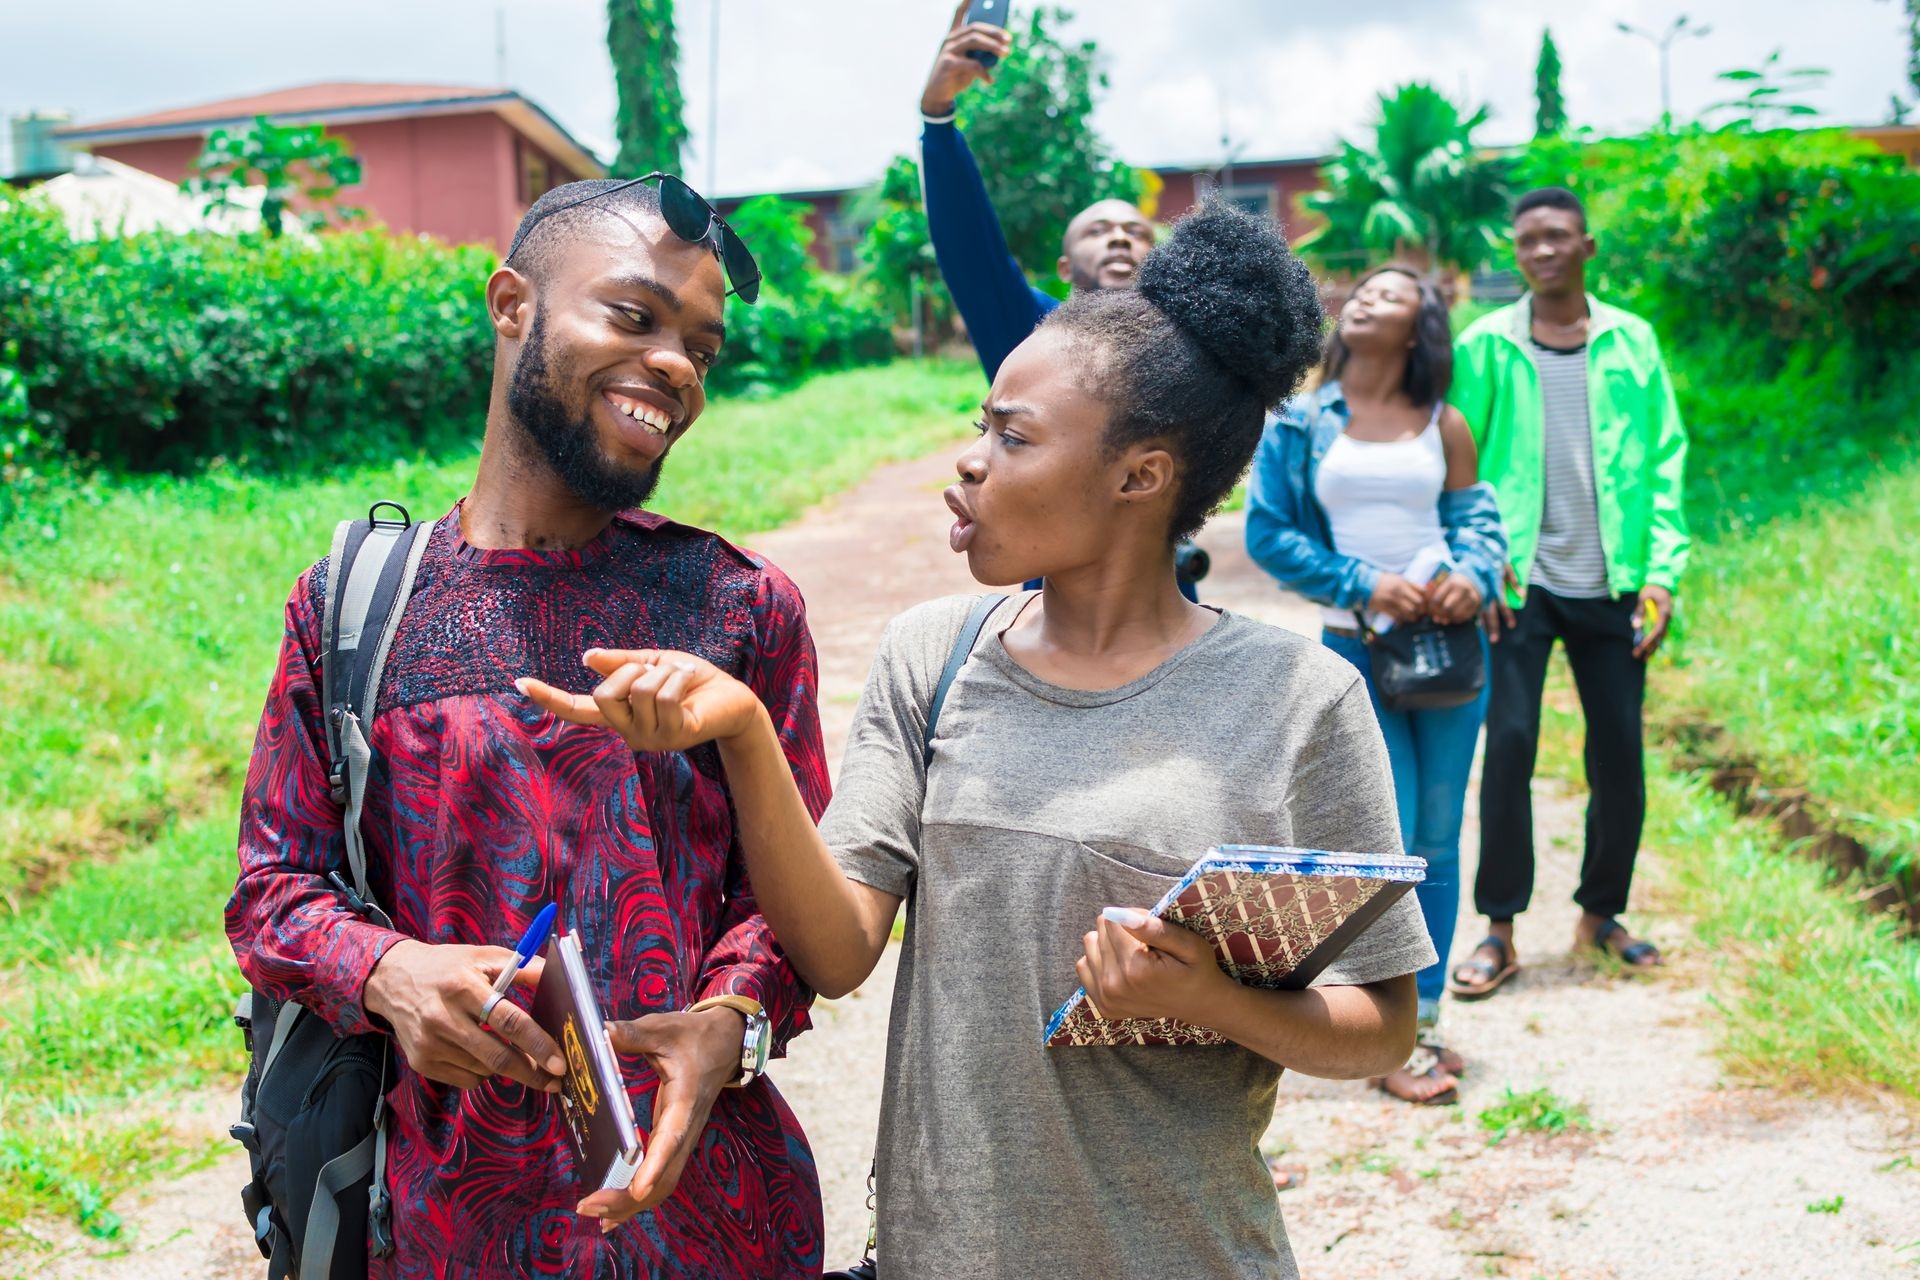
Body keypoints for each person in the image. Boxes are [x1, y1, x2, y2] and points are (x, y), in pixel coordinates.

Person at [521, 203, 1436, 1279]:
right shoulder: (933, 656)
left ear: (1140, 476)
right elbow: (837, 949)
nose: (968, 462)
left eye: (1013, 435)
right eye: (979, 422)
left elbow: (1379, 1024)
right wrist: (746, 732)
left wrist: (1211, 999)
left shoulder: (1300, 699)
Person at [226, 177, 830, 1278]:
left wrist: (733, 1017)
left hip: (715, 1223)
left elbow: (790, 905)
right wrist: (389, 969)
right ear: (512, 304)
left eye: (703, 346)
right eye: (636, 317)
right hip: (446, 1226)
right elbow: (274, 889)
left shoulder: (740, 607)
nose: (678, 368)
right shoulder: (355, 606)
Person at [1244, 265, 1507, 1104]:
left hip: (1450, 653)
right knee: (1380, 845)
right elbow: (1268, 533)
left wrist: (1475, 575)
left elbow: (1478, 525)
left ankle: (1421, 1022)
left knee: (1438, 834)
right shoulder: (1299, 422)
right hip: (1355, 654)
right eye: (1360, 291)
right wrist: (1362, 583)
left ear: (1420, 324)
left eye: (1391, 294)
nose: (1365, 298)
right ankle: (1380, 1032)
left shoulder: (1446, 423)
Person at [1446, 187, 1690, 998]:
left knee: (1618, 753)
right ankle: (1499, 929)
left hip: (1615, 581)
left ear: (1587, 246)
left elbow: (1663, 460)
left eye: (1556, 237)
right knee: (1509, 747)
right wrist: (1479, 560)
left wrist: (1661, 571)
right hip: (1520, 583)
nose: (1541, 251)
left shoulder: (1632, 342)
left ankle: (1601, 916)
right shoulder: (1486, 343)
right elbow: (1461, 459)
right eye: (1526, 241)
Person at [918, 2, 1207, 601]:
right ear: (1064, 268)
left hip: (1164, 598)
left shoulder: (1189, 350)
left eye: (1138, 231)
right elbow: (971, 247)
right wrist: (938, 118)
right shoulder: (1036, 332)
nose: (1123, 236)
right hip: (1054, 603)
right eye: (1099, 231)